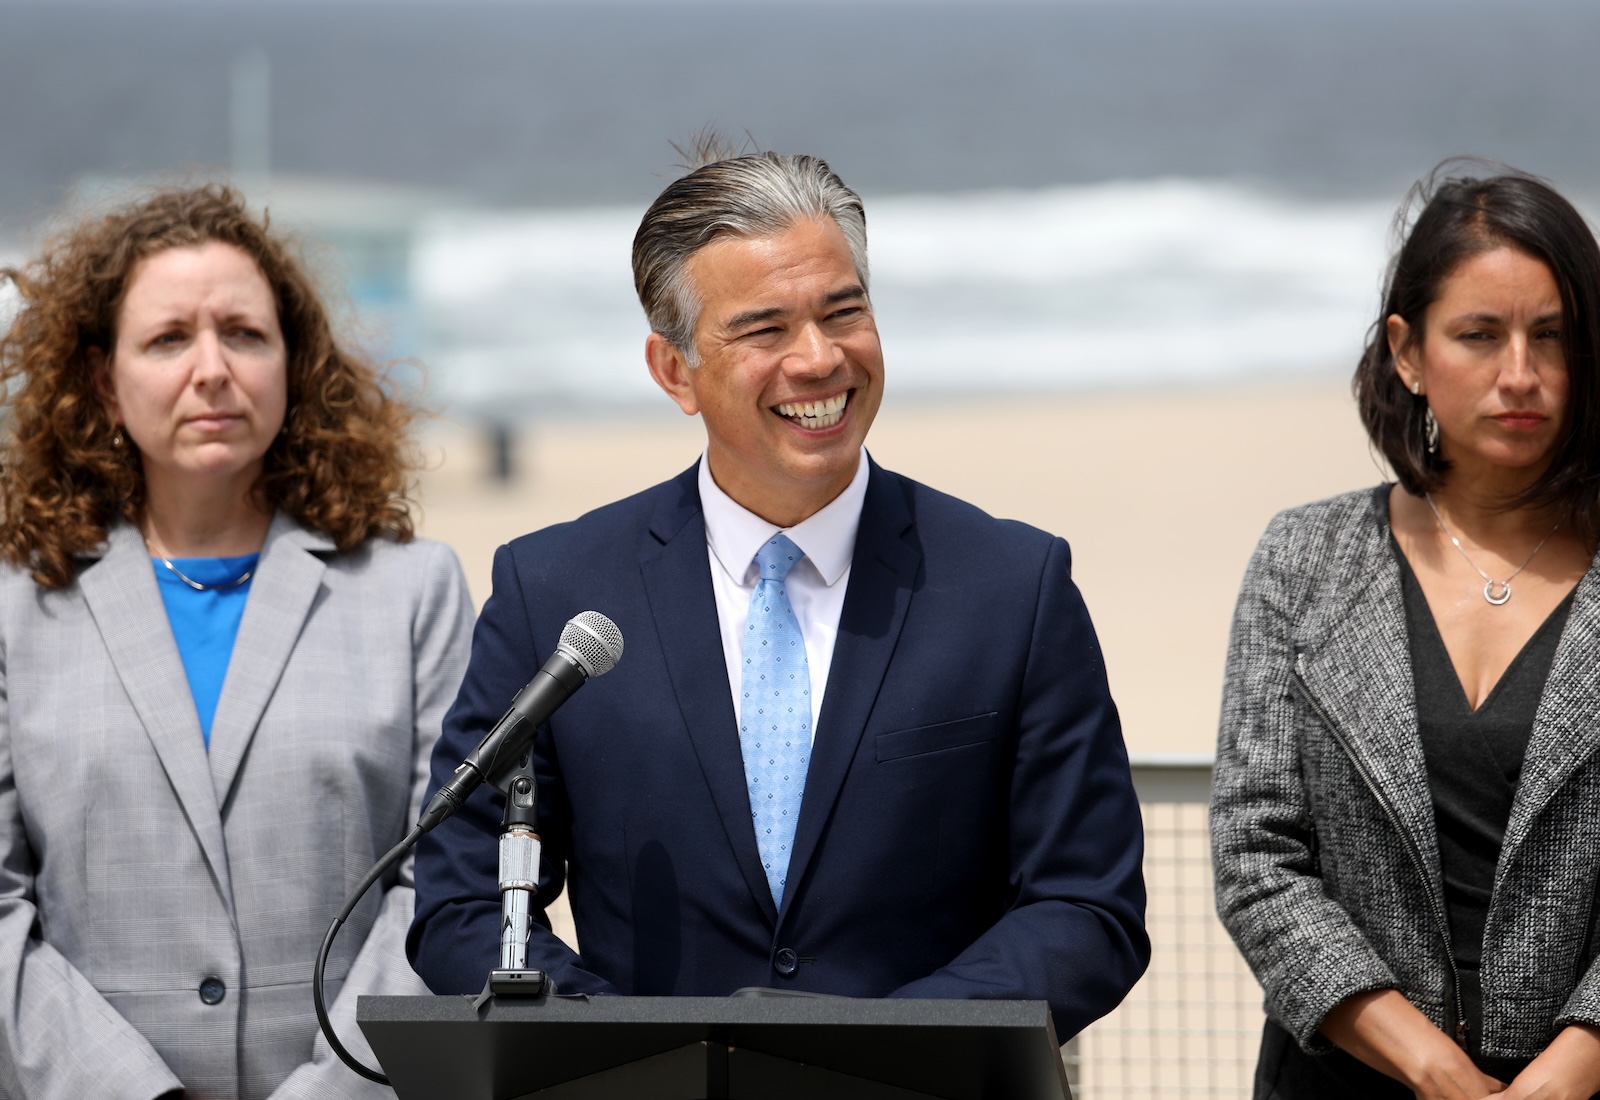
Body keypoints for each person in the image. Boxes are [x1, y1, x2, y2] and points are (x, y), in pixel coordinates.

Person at [408, 146, 1149, 1039]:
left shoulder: (1013, 586)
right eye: (764, 330)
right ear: (674, 370)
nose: (819, 359)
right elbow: (460, 893)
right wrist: (621, 1049)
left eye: (845, 311)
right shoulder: (554, 589)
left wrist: (880, 1055)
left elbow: (1087, 906)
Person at [0, 185, 473, 1100]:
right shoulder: (16, 608)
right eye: (169, 338)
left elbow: (444, 889)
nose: (212, 368)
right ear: (104, 380)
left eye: (246, 334)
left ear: (293, 364)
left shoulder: (415, 591)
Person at [1212, 164, 1600, 1100]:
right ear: (1409, 351)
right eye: (1479, 335)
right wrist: (1430, 1066)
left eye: (1552, 337)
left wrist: (1573, 1067)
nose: (1521, 375)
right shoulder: (1305, 559)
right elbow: (1254, 851)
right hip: (1342, 1078)